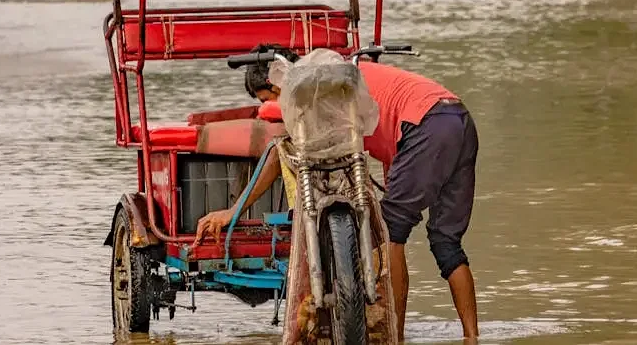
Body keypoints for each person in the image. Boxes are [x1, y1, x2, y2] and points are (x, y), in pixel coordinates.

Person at [196, 44, 480, 342]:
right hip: (458, 118)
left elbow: (278, 154)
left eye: (271, 100)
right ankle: (472, 337)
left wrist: (234, 211)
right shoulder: (338, 74)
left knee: (391, 230)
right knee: (446, 243)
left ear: (277, 83)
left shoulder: (318, 88)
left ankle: (395, 337)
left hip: (425, 126)